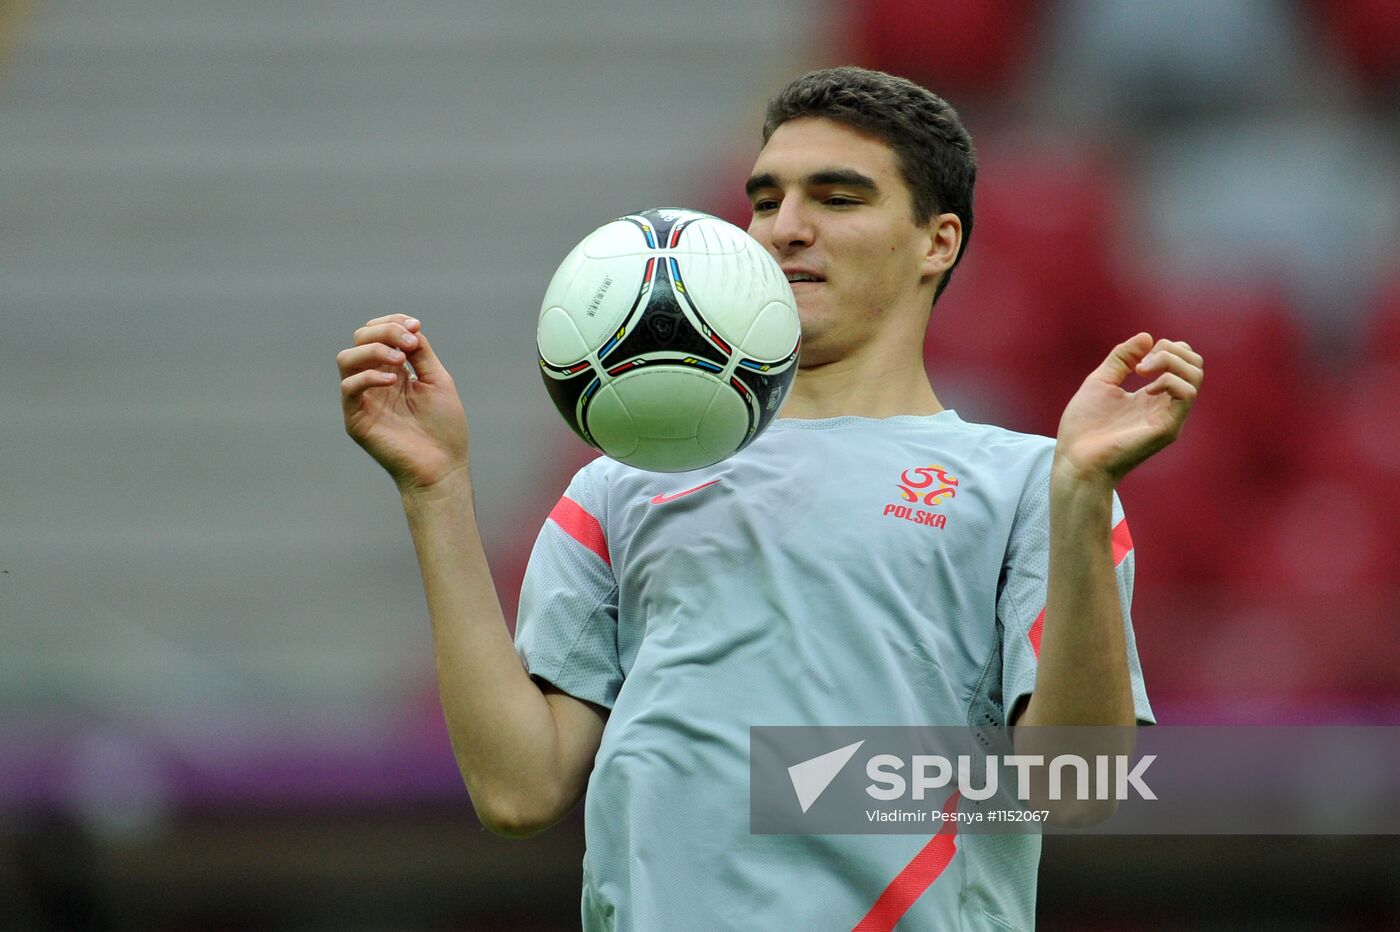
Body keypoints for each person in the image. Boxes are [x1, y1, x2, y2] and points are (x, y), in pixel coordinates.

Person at [336, 67, 1203, 931]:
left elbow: (1078, 783)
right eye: (765, 200)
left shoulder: (1030, 486)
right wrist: (435, 489)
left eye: (838, 198)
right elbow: (517, 790)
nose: (785, 229)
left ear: (937, 242)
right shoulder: (619, 482)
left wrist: (1087, 492)